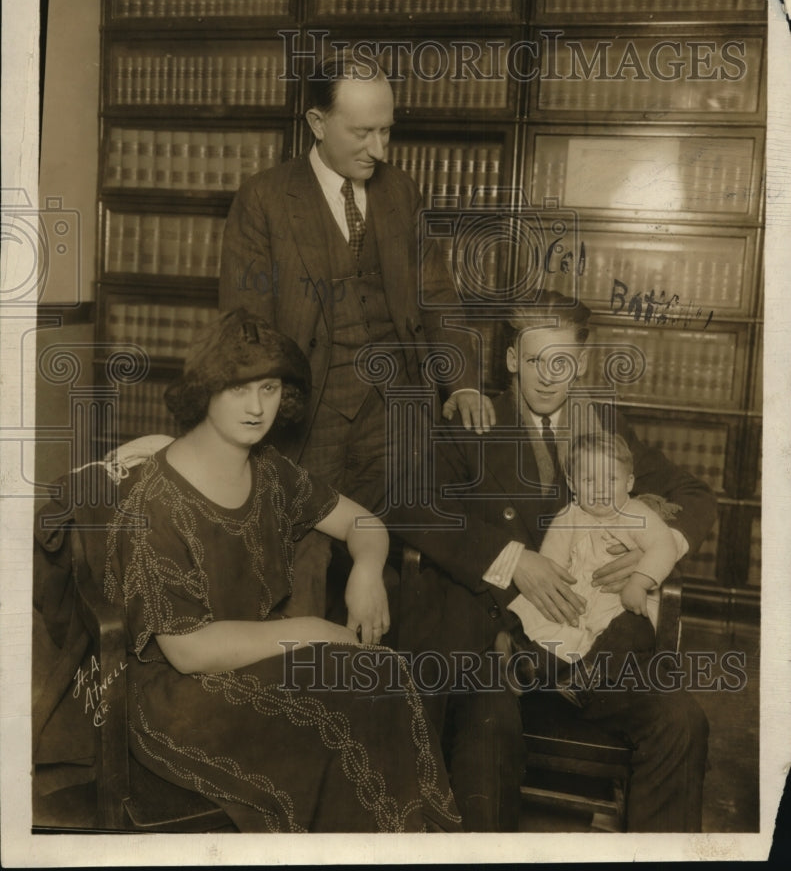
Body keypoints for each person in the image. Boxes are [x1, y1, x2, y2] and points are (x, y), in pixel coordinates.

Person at [99, 308, 461, 833]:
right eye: (239, 389)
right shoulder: (154, 501)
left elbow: (362, 521)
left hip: (260, 659)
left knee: (381, 678)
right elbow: (188, 650)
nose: (256, 407)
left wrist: (366, 570)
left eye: (269, 388)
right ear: (205, 390)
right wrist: (314, 631)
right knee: (345, 720)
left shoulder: (269, 470)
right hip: (178, 697)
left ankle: (407, 844)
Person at [394, 290, 716, 832]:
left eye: (562, 362)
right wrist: (510, 558)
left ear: (582, 363)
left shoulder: (605, 426)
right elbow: (409, 503)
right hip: (501, 648)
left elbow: (695, 496)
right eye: (535, 360)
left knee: (682, 722)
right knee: (488, 731)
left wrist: (652, 554)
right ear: (511, 359)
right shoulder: (473, 422)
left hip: (599, 653)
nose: (548, 377)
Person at [218, 50, 494, 618]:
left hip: (396, 410)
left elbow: (437, 295)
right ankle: (305, 667)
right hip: (308, 411)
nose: (379, 150)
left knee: (416, 541)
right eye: (363, 132)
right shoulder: (264, 198)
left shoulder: (400, 192)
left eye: (386, 131)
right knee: (303, 550)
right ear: (318, 124)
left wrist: (463, 382)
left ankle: (385, 667)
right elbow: (247, 324)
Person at [508, 431, 680, 706]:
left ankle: (589, 677)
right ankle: (531, 665)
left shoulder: (637, 514)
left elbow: (664, 546)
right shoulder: (568, 517)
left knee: (628, 633)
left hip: (622, 602)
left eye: (611, 480)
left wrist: (639, 582)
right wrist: (555, 594)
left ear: (629, 482)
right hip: (578, 600)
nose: (600, 490)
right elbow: (551, 563)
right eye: (589, 481)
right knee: (552, 627)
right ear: (572, 483)